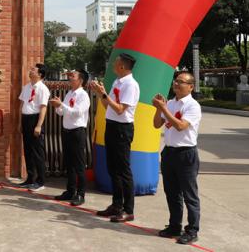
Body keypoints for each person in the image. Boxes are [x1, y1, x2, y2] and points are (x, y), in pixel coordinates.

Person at [152, 71, 202, 245]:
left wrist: (163, 107)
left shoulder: (192, 106)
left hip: (186, 154)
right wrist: (159, 109)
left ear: (190, 86)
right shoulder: (171, 103)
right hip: (169, 152)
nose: (176, 84)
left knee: (189, 194)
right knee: (172, 193)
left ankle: (192, 230)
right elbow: (157, 124)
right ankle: (175, 226)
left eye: (181, 82)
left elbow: (181, 126)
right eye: (176, 81)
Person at [90, 53, 140, 223]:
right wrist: (100, 94)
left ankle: (128, 209)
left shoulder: (131, 85)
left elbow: (120, 109)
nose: (113, 65)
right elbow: (107, 105)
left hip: (122, 128)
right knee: (113, 169)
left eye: (116, 63)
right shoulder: (117, 82)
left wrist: (105, 95)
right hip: (111, 125)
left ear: (123, 66)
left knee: (123, 170)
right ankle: (116, 205)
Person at [49, 69, 90, 206]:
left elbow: (77, 113)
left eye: (73, 76)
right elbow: (62, 112)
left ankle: (80, 194)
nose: (70, 78)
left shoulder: (83, 95)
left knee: (79, 164)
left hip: (77, 132)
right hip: (67, 131)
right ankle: (70, 191)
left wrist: (62, 105)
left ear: (80, 80)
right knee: (69, 164)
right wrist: (57, 106)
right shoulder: (69, 93)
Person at [17, 63, 50, 191]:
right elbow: (22, 105)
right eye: (30, 69)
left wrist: (39, 125)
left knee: (37, 152)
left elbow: (43, 108)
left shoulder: (43, 89)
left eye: (33, 70)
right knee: (28, 150)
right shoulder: (26, 87)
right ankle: (30, 178)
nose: (30, 71)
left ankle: (40, 181)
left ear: (40, 74)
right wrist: (20, 122)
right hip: (26, 119)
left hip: (35, 119)